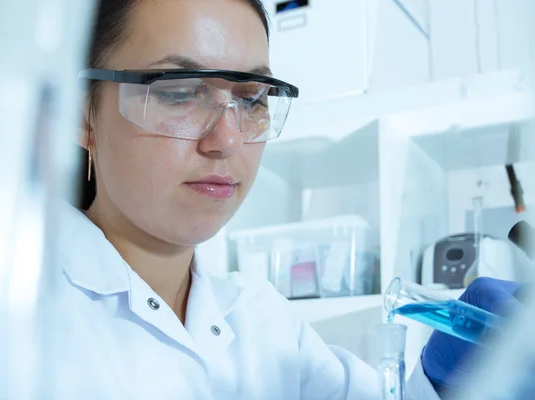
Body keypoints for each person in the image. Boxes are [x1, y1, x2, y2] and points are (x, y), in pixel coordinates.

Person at [52, 0, 523, 398]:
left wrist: (446, 379)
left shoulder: (262, 319)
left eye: (253, 98)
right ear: (83, 116)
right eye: (180, 93)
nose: (228, 139)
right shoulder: (11, 309)